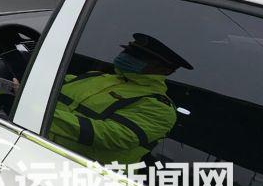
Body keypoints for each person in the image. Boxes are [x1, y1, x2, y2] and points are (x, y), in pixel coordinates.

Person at [49, 33, 191, 165]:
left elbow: (108, 136)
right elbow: (47, 86)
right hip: (44, 150)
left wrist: (44, 116)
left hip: (86, 174)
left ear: (164, 70)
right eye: (127, 52)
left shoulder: (158, 107)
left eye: (138, 57)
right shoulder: (96, 76)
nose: (127, 57)